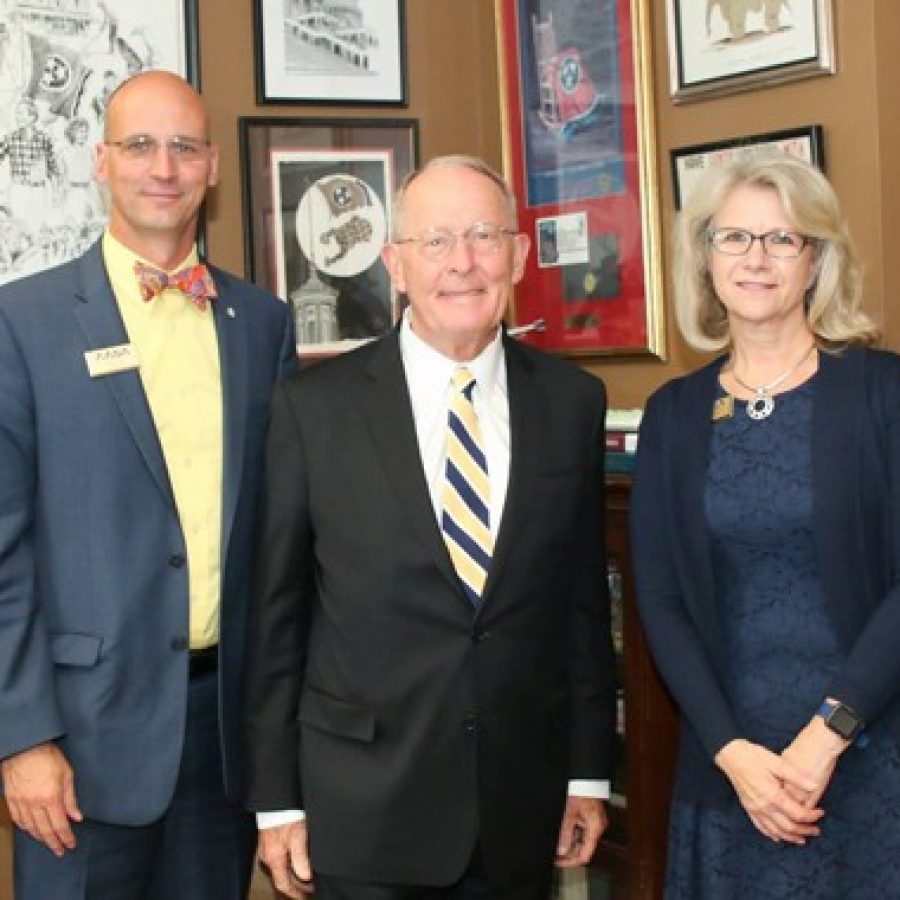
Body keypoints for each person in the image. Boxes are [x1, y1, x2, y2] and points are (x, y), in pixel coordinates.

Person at [243, 155, 615, 900]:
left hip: (519, 807)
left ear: (514, 256)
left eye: (484, 235)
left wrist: (586, 771)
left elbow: (578, 608)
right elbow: (277, 621)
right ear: (397, 265)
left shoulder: (572, 402)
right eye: (436, 240)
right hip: (363, 810)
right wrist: (277, 802)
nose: (463, 263)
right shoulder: (314, 411)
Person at [0, 70, 295, 899]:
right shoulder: (21, 323)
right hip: (76, 748)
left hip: (223, 743)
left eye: (184, 147)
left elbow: (279, 539)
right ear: (101, 162)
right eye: (139, 145)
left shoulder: (261, 323)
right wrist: (22, 738)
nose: (162, 167)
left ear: (211, 169)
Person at [630, 153, 900, 898]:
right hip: (731, 773)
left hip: (873, 760)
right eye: (734, 238)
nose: (757, 259)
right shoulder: (674, 415)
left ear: (815, 261)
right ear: (705, 258)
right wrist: (734, 755)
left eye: (783, 240)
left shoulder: (883, 394)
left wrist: (826, 736)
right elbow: (662, 603)